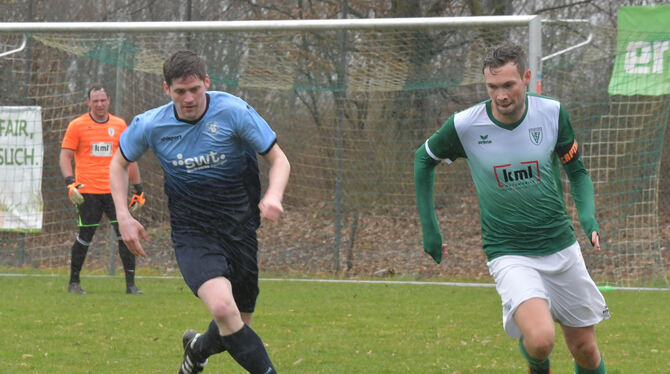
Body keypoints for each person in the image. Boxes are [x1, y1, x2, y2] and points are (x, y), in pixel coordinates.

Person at [414, 43, 609, 374]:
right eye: (492, 87)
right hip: (509, 251)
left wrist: (588, 217)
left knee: (584, 349)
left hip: (560, 246)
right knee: (541, 338)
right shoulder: (465, 125)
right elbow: (423, 159)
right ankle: (537, 363)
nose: (500, 95)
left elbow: (577, 171)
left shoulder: (551, 113)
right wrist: (430, 229)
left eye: (508, 85)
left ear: (527, 78)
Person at [110, 50, 289, 374]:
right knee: (223, 308)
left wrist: (273, 195)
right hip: (193, 233)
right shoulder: (151, 124)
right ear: (167, 89)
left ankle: (196, 351)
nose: (189, 98)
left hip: (240, 230)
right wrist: (124, 215)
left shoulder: (233, 112)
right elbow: (119, 163)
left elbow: (279, 159)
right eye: (180, 91)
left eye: (195, 89)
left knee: (235, 324)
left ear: (206, 82)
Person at [60, 84, 145, 295]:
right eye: (95, 100)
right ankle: (74, 283)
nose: (99, 104)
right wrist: (70, 182)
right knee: (85, 235)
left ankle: (131, 286)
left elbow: (130, 157)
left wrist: (138, 189)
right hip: (87, 191)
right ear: (88, 102)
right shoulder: (77, 125)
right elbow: (65, 156)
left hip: (115, 192)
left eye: (102, 100)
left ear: (109, 101)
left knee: (125, 234)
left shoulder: (119, 125)